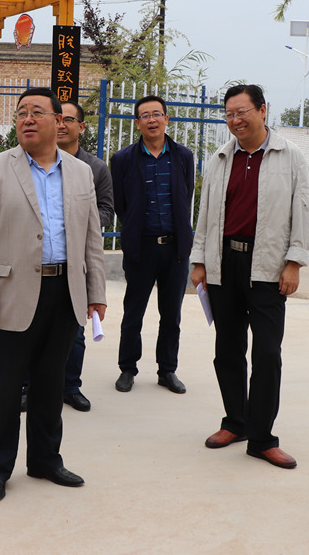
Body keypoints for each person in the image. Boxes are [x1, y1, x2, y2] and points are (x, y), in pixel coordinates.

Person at [0, 87, 107, 502]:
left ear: (58, 121)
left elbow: (92, 238)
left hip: (65, 291)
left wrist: (96, 292)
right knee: (4, 388)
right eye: (21, 112)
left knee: (50, 385)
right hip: (11, 294)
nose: (27, 119)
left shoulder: (80, 172)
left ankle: (45, 460)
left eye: (37, 112)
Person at [190, 84, 309, 470]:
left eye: (242, 112)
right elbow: (206, 213)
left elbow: (302, 211)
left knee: (267, 354)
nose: (235, 120)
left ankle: (262, 438)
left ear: (262, 110)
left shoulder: (291, 157)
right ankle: (235, 422)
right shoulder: (220, 158)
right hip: (224, 263)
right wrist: (199, 260)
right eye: (229, 114)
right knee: (227, 350)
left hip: (268, 268)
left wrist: (294, 262)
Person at [21, 100, 112, 413]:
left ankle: (70, 387)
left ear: (80, 127)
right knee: (29, 330)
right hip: (32, 264)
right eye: (59, 120)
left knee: (74, 334)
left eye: (69, 120)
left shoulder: (93, 169)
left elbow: (106, 209)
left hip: (74, 264)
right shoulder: (24, 164)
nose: (62, 126)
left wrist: (81, 221)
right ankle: (28, 387)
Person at [110, 95, 194, 396]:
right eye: (145, 115)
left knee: (171, 315)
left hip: (175, 249)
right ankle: (127, 369)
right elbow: (121, 203)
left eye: (157, 114)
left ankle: (167, 370)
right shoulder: (123, 159)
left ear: (166, 119)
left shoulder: (183, 156)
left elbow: (186, 195)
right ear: (138, 123)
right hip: (141, 248)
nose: (152, 120)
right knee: (133, 312)